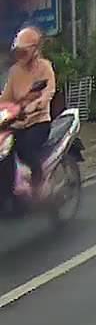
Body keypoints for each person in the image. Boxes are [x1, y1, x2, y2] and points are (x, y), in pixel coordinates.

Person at [1, 26, 56, 201]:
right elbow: (6, 97)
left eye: (23, 52)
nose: (20, 56)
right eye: (18, 52)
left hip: (38, 121)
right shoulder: (15, 71)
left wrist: (37, 105)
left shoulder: (44, 67)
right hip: (17, 122)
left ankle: (38, 182)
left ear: (34, 50)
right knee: (4, 150)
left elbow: (48, 91)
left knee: (25, 149)